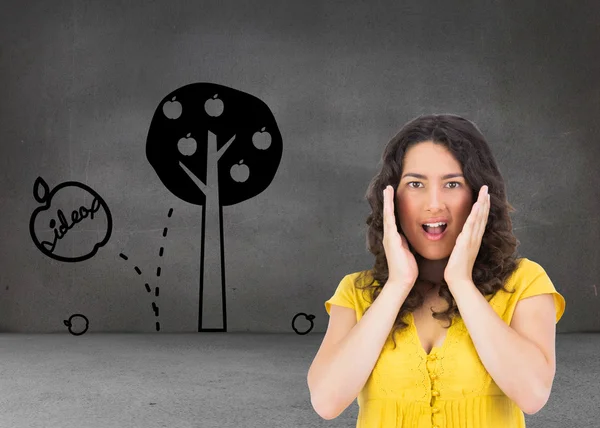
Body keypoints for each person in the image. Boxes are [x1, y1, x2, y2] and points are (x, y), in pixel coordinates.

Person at [307, 114, 566, 427]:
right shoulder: (356, 292)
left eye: (452, 184)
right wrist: (398, 284)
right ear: (391, 198)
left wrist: (460, 282)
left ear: (479, 196)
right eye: (415, 184)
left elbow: (533, 394)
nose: (433, 204)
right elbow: (326, 402)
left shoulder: (526, 281)